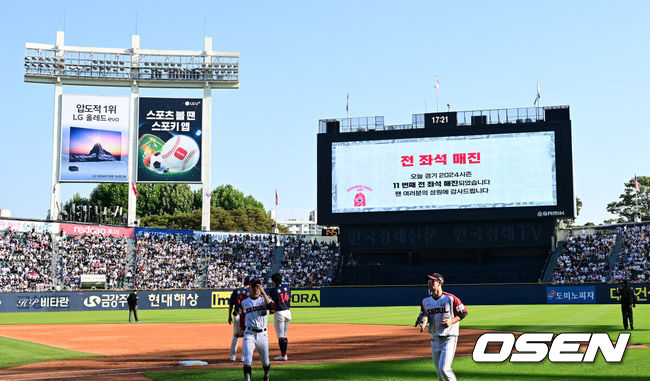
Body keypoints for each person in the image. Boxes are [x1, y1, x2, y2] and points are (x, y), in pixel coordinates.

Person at [415, 273, 467, 381]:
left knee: (444, 369)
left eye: (432, 281)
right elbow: (424, 315)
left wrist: (451, 322)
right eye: (428, 282)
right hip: (435, 338)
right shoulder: (425, 301)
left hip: (449, 338)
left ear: (439, 283)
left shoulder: (450, 299)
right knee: (439, 373)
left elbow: (463, 313)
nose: (429, 283)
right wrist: (423, 320)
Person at [241, 276, 275, 381]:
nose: (255, 289)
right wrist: (241, 329)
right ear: (249, 287)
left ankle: (266, 375)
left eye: (257, 287)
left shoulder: (265, 300)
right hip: (249, 333)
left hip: (262, 334)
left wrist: (264, 293)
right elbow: (243, 316)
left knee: (265, 361)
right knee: (247, 360)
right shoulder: (245, 302)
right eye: (253, 286)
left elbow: (272, 307)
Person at [268, 273, 291, 361]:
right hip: (288, 312)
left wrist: (270, 310)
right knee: (284, 335)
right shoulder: (287, 287)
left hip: (280, 313)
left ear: (273, 281)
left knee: (281, 335)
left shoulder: (274, 290)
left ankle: (283, 355)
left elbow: (271, 303)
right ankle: (284, 354)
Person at [228, 275, 252, 361]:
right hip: (246, 316)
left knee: (235, 335)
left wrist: (229, 316)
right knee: (246, 336)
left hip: (236, 314)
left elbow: (231, 304)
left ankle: (232, 357)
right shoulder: (251, 292)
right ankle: (243, 357)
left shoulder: (236, 291)